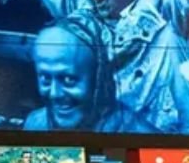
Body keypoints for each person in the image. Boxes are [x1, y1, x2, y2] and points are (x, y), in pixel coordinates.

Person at [23, 13, 153, 132]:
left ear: (98, 79)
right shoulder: (35, 124)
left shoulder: (142, 136)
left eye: (68, 80)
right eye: (45, 78)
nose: (54, 94)